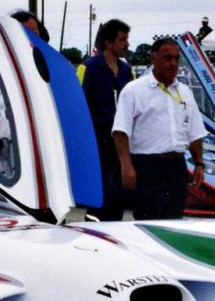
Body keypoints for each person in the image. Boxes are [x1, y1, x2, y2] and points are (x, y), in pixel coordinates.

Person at [111, 38, 205, 220]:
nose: (173, 63)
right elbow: (121, 132)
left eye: (177, 58)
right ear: (153, 58)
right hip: (147, 168)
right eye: (167, 58)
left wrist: (199, 164)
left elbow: (195, 132)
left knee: (175, 223)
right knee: (148, 223)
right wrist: (126, 166)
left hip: (176, 167)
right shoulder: (134, 90)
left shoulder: (185, 92)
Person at [80, 19, 133, 220]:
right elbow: (80, 108)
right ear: (109, 43)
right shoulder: (89, 68)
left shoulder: (127, 71)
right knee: (101, 199)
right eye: (123, 39)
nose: (127, 44)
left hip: (121, 146)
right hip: (98, 144)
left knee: (119, 199)